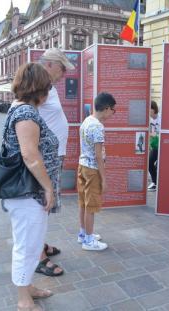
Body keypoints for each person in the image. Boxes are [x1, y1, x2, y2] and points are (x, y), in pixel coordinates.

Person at [0, 63, 57, 311]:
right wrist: (48, 188)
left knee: (32, 243)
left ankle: (28, 287)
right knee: (26, 245)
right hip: (28, 192)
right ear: (40, 89)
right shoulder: (26, 114)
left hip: (26, 193)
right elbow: (30, 156)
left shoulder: (20, 109)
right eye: (48, 88)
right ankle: (24, 300)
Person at [34, 48, 75, 277]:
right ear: (49, 65)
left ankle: (40, 245)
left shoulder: (48, 86)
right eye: (62, 69)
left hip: (53, 155)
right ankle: (38, 256)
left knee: (45, 205)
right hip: (46, 157)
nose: (64, 74)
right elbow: (28, 117)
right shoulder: (39, 86)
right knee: (42, 204)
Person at [77, 92, 116, 251]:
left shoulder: (87, 121)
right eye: (113, 110)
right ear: (106, 108)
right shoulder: (98, 127)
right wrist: (104, 179)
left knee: (83, 203)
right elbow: (99, 155)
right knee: (91, 206)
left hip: (82, 166)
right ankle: (88, 240)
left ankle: (83, 233)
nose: (113, 113)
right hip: (93, 170)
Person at [148, 100, 161, 191]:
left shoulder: (160, 118)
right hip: (154, 145)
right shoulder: (150, 120)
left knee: (157, 164)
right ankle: (155, 182)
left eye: (149, 109)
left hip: (161, 144)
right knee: (150, 163)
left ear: (153, 109)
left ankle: (156, 182)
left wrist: (156, 135)